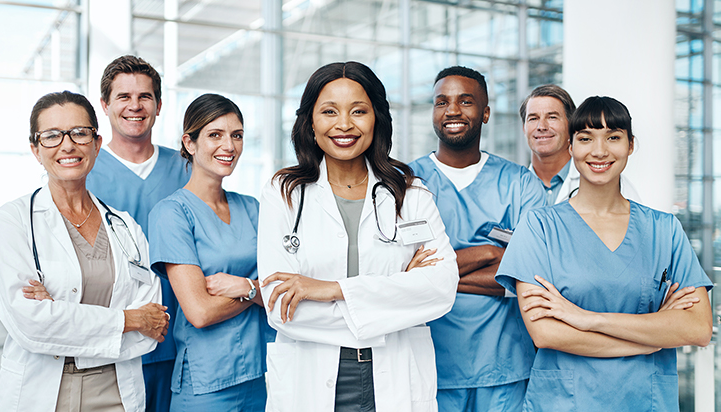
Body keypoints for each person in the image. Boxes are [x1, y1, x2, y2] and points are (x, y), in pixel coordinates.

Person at [257, 61, 459, 411]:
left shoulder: (410, 194)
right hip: (311, 375)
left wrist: (331, 290)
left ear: (377, 118)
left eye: (359, 111)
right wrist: (397, 289)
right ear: (310, 122)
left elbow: (441, 288)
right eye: (329, 111)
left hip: (395, 374)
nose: (345, 124)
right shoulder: (284, 193)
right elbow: (281, 307)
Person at [496, 96, 713, 411]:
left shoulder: (664, 229)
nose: (599, 151)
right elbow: (545, 333)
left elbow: (697, 329)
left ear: (631, 145)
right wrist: (655, 334)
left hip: (646, 401)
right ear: (571, 147)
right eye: (586, 139)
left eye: (613, 137)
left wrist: (586, 319)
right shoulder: (539, 227)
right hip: (564, 402)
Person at [0, 91, 168, 412]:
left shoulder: (124, 226)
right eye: (52, 136)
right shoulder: (12, 219)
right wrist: (128, 319)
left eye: (80, 133)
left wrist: (60, 312)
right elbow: (32, 323)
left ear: (97, 144)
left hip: (117, 389)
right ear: (36, 149)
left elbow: (153, 320)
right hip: (43, 390)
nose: (68, 145)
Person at [409, 66, 546, 412]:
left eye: (465, 101)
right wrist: (490, 254)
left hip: (504, 367)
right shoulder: (404, 181)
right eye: (442, 102)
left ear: (485, 113)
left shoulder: (520, 183)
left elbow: (528, 275)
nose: (452, 111)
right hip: (429, 364)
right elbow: (398, 274)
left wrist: (435, 277)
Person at [148, 94, 271, 411]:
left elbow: (288, 289)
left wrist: (245, 286)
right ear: (189, 142)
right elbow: (199, 312)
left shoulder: (253, 209)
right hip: (205, 386)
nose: (229, 146)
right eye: (215, 135)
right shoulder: (171, 214)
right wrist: (258, 292)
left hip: (262, 375)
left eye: (237, 135)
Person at [86, 55, 191, 412]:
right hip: (112, 339)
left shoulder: (188, 168)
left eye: (144, 96)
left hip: (179, 338)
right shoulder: (84, 171)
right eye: (123, 96)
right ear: (105, 105)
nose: (135, 106)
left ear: (159, 105)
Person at [520, 84, 640, 204]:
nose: (541, 127)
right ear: (524, 128)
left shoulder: (616, 186)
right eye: (533, 119)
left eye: (552, 117)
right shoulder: (513, 187)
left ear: (570, 125)